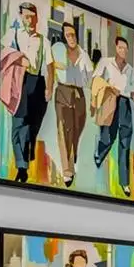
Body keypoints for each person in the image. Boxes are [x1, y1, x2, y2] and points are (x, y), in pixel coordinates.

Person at [1, 1, 49, 183]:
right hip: (20, 81)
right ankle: (22, 167)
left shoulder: (43, 40)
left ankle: (26, 160)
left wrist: (49, 87)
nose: (30, 20)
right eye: (26, 16)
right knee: (18, 124)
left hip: (37, 81)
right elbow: (1, 51)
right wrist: (19, 59)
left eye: (32, 17)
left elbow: (49, 65)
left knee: (31, 127)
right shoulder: (13, 34)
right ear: (21, 16)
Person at [92, 34, 134, 197]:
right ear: (116, 48)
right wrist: (98, 97)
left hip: (125, 104)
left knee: (125, 142)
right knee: (108, 136)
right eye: (120, 48)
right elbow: (95, 80)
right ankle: (99, 153)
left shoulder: (130, 70)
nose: (123, 51)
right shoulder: (106, 63)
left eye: (125, 49)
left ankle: (124, 182)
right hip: (109, 100)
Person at [48, 21, 92, 188]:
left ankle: (72, 155)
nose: (71, 38)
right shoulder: (58, 50)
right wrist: (55, 71)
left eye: (73, 35)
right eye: (68, 35)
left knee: (77, 129)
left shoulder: (83, 54)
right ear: (63, 37)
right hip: (63, 90)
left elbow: (90, 77)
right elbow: (49, 66)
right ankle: (67, 170)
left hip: (79, 93)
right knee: (64, 129)